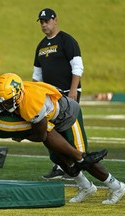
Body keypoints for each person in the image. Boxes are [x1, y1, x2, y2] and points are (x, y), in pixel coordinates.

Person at [0, 32, 106, 174]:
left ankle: (73, 169)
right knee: (45, 128)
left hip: (4, 108)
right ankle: (80, 158)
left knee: (44, 128)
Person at [0, 73, 125, 204]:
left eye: (6, 101)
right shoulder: (20, 95)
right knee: (58, 158)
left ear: (17, 95)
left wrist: (21, 136)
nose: (4, 105)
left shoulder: (31, 104)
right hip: (54, 120)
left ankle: (117, 186)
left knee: (82, 158)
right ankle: (86, 187)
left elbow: (42, 136)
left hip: (68, 116)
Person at [32, 8, 84, 180]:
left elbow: (77, 67)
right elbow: (37, 76)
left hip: (67, 94)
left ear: (55, 20)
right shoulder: (40, 46)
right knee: (53, 131)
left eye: (47, 21)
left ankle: (80, 162)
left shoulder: (66, 41)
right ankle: (61, 166)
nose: (44, 25)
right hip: (50, 96)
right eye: (41, 22)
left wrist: (73, 91)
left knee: (70, 130)